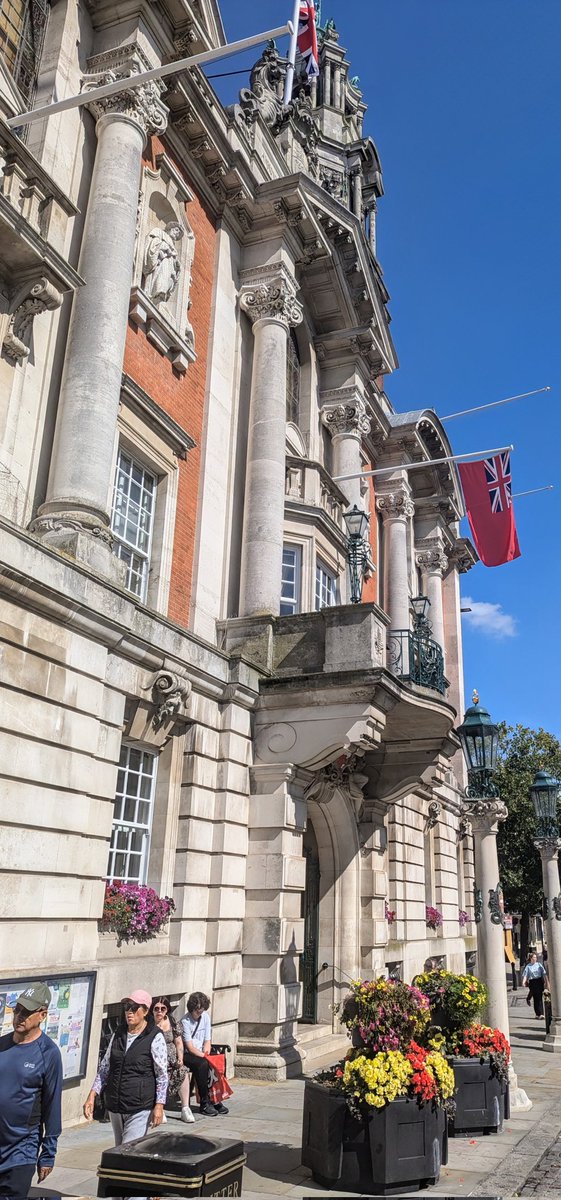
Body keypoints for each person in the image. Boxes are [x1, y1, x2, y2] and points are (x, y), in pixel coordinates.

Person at [0, 982, 63, 1198]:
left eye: (26, 1012)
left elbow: (52, 1105)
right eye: (17, 1010)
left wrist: (48, 1153)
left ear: (42, 1015)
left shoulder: (49, 1053)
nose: (19, 1016)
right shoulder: (2, 1045)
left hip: (20, 1152)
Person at [83, 989, 168, 1144]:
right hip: (115, 1104)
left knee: (127, 1150)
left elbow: (162, 1075)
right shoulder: (119, 1033)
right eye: (127, 1007)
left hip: (139, 1106)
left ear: (145, 1011)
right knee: (119, 1148)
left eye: (134, 1008)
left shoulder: (155, 1036)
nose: (129, 1012)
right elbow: (105, 1067)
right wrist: (92, 1095)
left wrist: (159, 1106)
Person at [180, 993, 228, 1117]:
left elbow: (207, 1040)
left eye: (201, 1011)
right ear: (192, 1009)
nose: (200, 1013)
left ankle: (216, 1098)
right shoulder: (185, 1022)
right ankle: (205, 1102)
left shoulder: (205, 1017)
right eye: (197, 1011)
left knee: (217, 1061)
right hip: (188, 1054)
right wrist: (204, 1056)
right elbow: (189, 1047)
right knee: (202, 1064)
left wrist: (207, 1053)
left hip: (202, 1051)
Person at [151, 996, 194, 1123]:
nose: (159, 1011)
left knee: (183, 1072)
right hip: (156, 1061)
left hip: (172, 1060)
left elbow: (179, 1043)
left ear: (167, 1010)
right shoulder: (149, 1024)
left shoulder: (172, 1022)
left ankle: (185, 1108)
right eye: (156, 1009)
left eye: (163, 1008)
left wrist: (180, 1059)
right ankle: (159, 1108)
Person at [522, 952, 547, 1018]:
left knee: (539, 997)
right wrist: (523, 982)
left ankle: (541, 1013)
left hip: (539, 981)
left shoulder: (539, 965)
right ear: (531, 958)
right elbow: (525, 975)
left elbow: (544, 974)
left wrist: (546, 982)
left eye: (536, 957)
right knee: (536, 997)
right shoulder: (528, 966)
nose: (535, 959)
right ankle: (538, 1014)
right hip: (532, 982)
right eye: (534, 957)